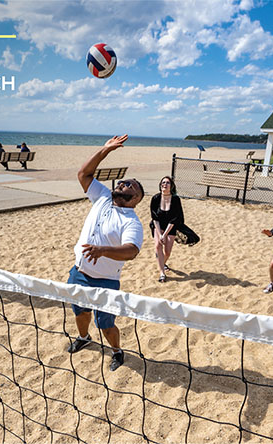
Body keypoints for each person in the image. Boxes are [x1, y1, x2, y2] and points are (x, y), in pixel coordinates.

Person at [64, 135, 144, 372]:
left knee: (106, 324)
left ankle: (117, 351)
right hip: (79, 272)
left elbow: (131, 251)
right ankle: (83, 338)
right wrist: (105, 150)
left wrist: (103, 251)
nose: (123, 184)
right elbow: (83, 174)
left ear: (137, 199)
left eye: (131, 185)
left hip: (107, 280)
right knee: (79, 312)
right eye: (123, 182)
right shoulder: (103, 197)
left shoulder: (133, 222)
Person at [149, 175, 184, 282]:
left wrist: (165, 235)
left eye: (167, 183)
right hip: (158, 226)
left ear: (171, 186)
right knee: (157, 246)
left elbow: (174, 219)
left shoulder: (175, 199)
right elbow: (155, 218)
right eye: (163, 183)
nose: (165, 184)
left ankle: (162, 263)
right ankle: (162, 273)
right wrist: (160, 234)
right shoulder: (155, 198)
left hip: (170, 226)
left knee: (167, 252)